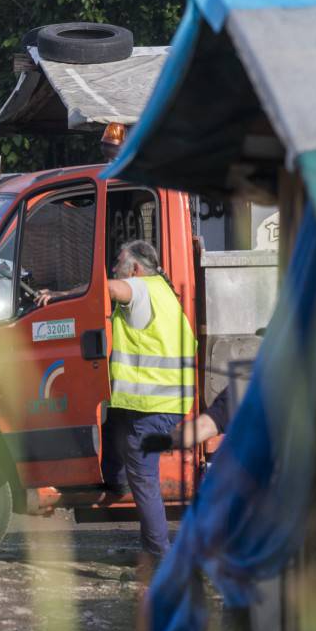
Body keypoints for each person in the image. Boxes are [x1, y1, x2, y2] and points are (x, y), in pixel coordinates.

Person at [101, 239, 197, 563]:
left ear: (136, 269)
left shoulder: (141, 288)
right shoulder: (163, 292)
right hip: (161, 402)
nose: (115, 268)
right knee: (139, 473)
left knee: (144, 479)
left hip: (153, 405)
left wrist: (76, 289)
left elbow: (111, 289)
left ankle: (160, 559)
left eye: (119, 263)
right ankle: (150, 548)